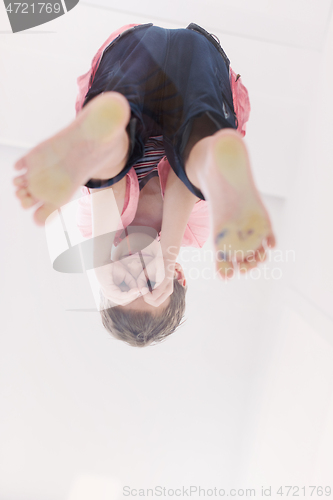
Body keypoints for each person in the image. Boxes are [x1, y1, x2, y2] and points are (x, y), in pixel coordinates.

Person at [13, 23, 276, 347]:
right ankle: (216, 157)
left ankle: (100, 139)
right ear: (176, 275)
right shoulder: (191, 235)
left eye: (122, 283)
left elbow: (111, 190)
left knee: (108, 172)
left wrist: (101, 264)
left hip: (132, 69)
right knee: (193, 172)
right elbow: (181, 185)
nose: (134, 270)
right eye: (149, 284)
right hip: (197, 79)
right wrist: (166, 254)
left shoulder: (94, 232)